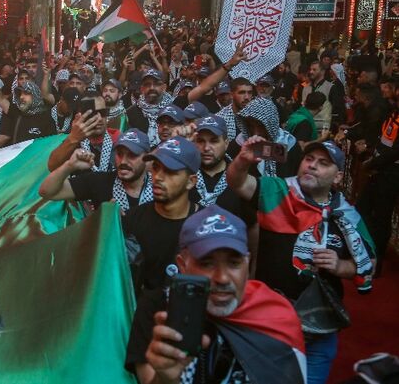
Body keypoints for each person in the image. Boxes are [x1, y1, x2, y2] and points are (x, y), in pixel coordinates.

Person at [227, 139, 376, 384]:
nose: (312, 166)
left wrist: (341, 267)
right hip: (269, 320)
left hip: (319, 329)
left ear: (337, 177)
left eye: (323, 163)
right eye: (308, 159)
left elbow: (369, 264)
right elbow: (238, 182)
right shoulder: (277, 190)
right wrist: (242, 162)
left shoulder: (347, 214)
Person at [126, 205, 307, 384]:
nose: (222, 278)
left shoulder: (276, 316)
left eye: (234, 263)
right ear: (182, 265)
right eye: (207, 263)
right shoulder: (158, 308)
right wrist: (165, 379)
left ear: (247, 263)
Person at [124, 137, 201, 293]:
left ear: (190, 182)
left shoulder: (205, 226)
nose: (158, 176)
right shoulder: (132, 219)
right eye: (156, 168)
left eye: (170, 171)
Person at [39, 128, 152, 216]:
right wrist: (69, 166)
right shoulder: (100, 181)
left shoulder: (159, 188)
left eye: (132, 155)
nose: (123, 161)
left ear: (146, 159)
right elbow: (46, 191)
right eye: (119, 154)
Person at [355, 82, 399, 276]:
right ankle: (364, 251)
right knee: (362, 209)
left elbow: (395, 152)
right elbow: (384, 140)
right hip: (379, 168)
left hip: (391, 174)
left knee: (381, 218)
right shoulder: (392, 112)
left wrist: (373, 164)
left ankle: (376, 262)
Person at [232, 97, 303, 177]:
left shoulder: (289, 144)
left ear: (271, 124)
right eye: (251, 126)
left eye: (261, 126)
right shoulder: (240, 143)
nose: (256, 133)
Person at [128, 69, 174, 147]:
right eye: (147, 84)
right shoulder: (131, 113)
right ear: (142, 89)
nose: (152, 88)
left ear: (164, 87)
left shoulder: (174, 111)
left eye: (156, 84)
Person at [301, 61, 346, 132]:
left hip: (323, 129)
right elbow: (303, 106)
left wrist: (334, 127)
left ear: (322, 71)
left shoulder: (331, 87)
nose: (311, 72)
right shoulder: (306, 88)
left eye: (314, 70)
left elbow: (338, 109)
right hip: (307, 127)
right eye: (310, 69)